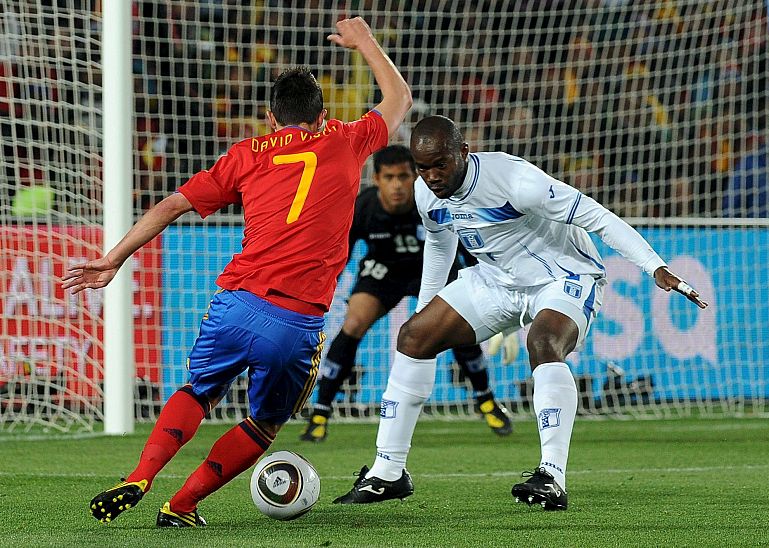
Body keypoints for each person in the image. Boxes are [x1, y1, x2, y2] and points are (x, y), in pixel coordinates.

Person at [62, 17, 412, 527]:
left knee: (197, 391)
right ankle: (182, 505)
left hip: (235, 303)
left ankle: (140, 474)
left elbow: (171, 204)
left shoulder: (246, 154)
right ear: (322, 116)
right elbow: (399, 99)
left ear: (271, 119)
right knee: (265, 423)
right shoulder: (346, 140)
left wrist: (114, 258)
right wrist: (364, 41)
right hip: (295, 321)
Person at [333, 115, 707, 509]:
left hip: (562, 276)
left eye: (440, 164)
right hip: (496, 281)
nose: (432, 176)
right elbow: (440, 246)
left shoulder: (516, 181)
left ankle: (552, 476)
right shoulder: (426, 193)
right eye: (423, 168)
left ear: (463, 152)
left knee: (543, 343)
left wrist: (654, 265)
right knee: (413, 337)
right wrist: (426, 311)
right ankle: (388, 471)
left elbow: (596, 216)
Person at [299, 145, 512, 443]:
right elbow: (340, 255)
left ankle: (485, 400)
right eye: (389, 177)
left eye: (403, 176)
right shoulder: (364, 208)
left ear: (415, 177)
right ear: (376, 179)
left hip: (432, 270)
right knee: (353, 323)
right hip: (384, 271)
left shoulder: (433, 201)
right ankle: (321, 412)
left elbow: (467, 245)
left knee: (458, 328)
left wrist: (492, 286)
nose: (397, 185)